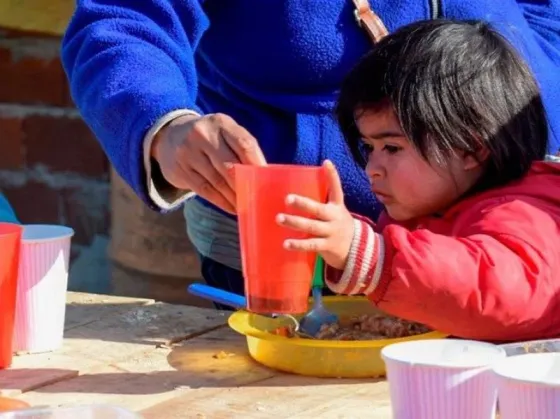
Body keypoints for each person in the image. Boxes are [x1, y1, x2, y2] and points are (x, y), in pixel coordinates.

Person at [61, 1, 560, 309]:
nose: (373, 164)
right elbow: (123, 18)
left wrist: (539, 109)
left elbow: (545, 14)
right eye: (372, 148)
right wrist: (164, 126)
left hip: (508, 220)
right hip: (288, 250)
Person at [276, 19, 560, 342]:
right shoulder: (432, 206)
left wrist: (371, 258)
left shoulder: (527, 213)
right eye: (369, 147)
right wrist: (333, 236)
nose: (372, 168)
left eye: (392, 148)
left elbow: (494, 290)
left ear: (471, 149)